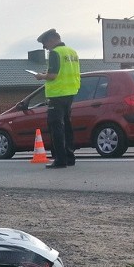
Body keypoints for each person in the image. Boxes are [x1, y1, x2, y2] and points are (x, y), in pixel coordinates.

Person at [35, 28, 80, 169]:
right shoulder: (72, 52)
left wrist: (41, 76)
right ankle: (70, 157)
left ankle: (60, 160)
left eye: (45, 45)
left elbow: (53, 75)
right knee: (67, 125)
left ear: (51, 40)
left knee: (56, 127)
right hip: (70, 92)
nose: (46, 48)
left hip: (57, 94)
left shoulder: (55, 53)